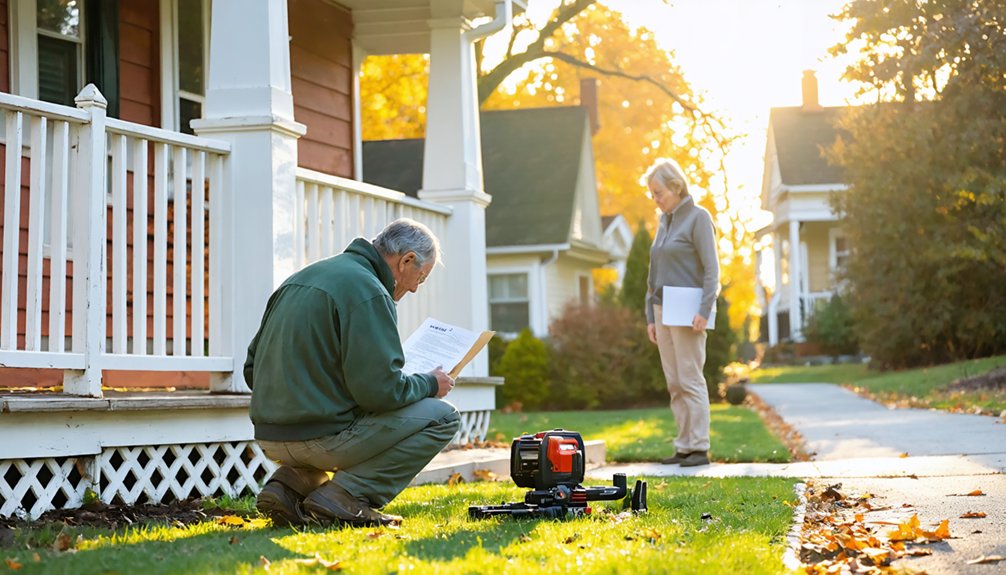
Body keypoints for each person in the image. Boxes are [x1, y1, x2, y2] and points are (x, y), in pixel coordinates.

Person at [245, 218, 460, 527]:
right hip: (320, 438)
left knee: (339, 417)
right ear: (407, 260)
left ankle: (289, 485)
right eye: (420, 278)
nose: (414, 288)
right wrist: (429, 383)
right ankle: (347, 496)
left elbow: (252, 370)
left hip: (270, 437)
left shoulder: (300, 278)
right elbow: (381, 392)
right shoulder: (369, 290)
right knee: (444, 416)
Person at [643, 158, 720, 468]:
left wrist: (705, 309)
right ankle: (683, 445)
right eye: (652, 193)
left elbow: (712, 270)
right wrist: (650, 315)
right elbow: (652, 274)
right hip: (662, 309)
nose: (655, 198)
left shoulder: (698, 218)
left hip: (688, 311)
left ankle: (699, 446)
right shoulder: (664, 222)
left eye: (658, 192)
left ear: (675, 187)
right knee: (674, 382)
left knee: (690, 378)